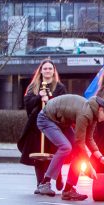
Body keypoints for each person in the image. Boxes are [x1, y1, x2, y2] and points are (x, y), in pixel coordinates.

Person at [36, 94, 104, 201]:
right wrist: (89, 166)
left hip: (62, 123)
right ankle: (44, 183)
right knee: (66, 147)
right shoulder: (85, 114)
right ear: (101, 110)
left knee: (77, 152)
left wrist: (101, 158)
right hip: (46, 118)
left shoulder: (94, 114)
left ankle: (68, 190)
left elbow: (88, 139)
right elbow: (80, 142)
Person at [17, 59, 68, 195]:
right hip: (37, 125)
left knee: (55, 151)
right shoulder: (33, 86)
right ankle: (41, 184)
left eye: (50, 69)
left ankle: (57, 176)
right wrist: (38, 98)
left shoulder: (59, 87)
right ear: (41, 71)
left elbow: (63, 105)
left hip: (54, 125)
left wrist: (49, 99)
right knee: (39, 154)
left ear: (53, 71)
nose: (47, 71)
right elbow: (28, 105)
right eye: (45, 69)